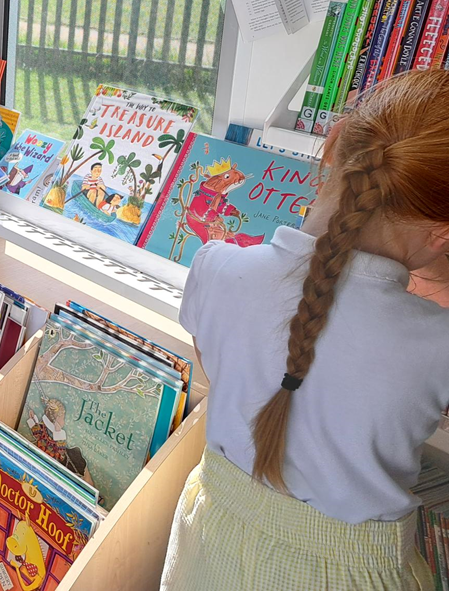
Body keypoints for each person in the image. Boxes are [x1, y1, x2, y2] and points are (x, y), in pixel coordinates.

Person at [161, 69, 449, 590]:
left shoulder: (216, 267)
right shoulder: (438, 340)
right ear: (440, 234)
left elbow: (217, 362)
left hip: (210, 541)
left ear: (333, 143)